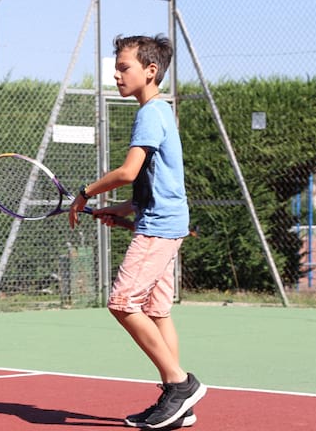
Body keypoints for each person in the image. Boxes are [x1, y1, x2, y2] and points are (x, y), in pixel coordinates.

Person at [69, 34, 206, 429]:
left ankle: (181, 385)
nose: (116, 74)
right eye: (115, 67)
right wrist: (125, 209)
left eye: (123, 67)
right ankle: (178, 402)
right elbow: (159, 182)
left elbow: (128, 171)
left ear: (150, 70)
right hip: (164, 220)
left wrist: (85, 193)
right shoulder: (161, 112)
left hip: (159, 228)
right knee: (157, 311)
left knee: (122, 303)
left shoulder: (150, 113)